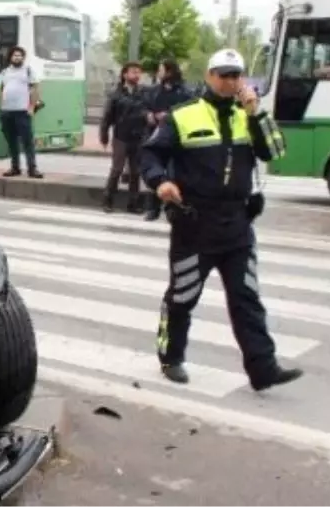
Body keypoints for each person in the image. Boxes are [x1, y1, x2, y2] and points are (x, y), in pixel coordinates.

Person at [139, 49, 301, 391]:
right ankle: (171, 357)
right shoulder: (184, 115)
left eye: (236, 75)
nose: (230, 82)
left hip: (238, 224)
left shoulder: (250, 115)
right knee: (182, 296)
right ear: (210, 76)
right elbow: (151, 153)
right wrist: (160, 181)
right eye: (224, 74)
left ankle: (263, 369)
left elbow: (275, 151)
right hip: (194, 223)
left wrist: (256, 112)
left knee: (247, 299)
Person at [141, 59, 196, 221]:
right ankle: (152, 208)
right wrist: (148, 115)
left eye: (161, 69)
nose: (158, 72)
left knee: (173, 173)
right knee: (154, 170)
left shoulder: (184, 92)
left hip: (175, 138)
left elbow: (189, 110)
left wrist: (169, 116)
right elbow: (143, 107)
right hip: (154, 135)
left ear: (170, 72)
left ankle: (172, 206)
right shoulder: (153, 91)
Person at [100, 62, 147, 213]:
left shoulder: (143, 93)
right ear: (125, 75)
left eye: (139, 72)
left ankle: (133, 203)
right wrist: (104, 135)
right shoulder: (116, 94)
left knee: (135, 171)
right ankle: (107, 200)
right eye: (133, 72)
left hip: (138, 137)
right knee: (117, 169)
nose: (137, 75)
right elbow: (107, 117)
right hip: (121, 136)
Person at [0, 46, 43, 179]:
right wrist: (0, 106)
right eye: (15, 55)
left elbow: (35, 88)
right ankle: (15, 167)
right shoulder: (5, 72)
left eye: (20, 56)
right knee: (12, 142)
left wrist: (32, 107)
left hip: (22, 112)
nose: (17, 57)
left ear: (23, 58)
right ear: (10, 57)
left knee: (27, 141)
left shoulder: (28, 71)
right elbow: (0, 89)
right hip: (7, 112)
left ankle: (32, 169)